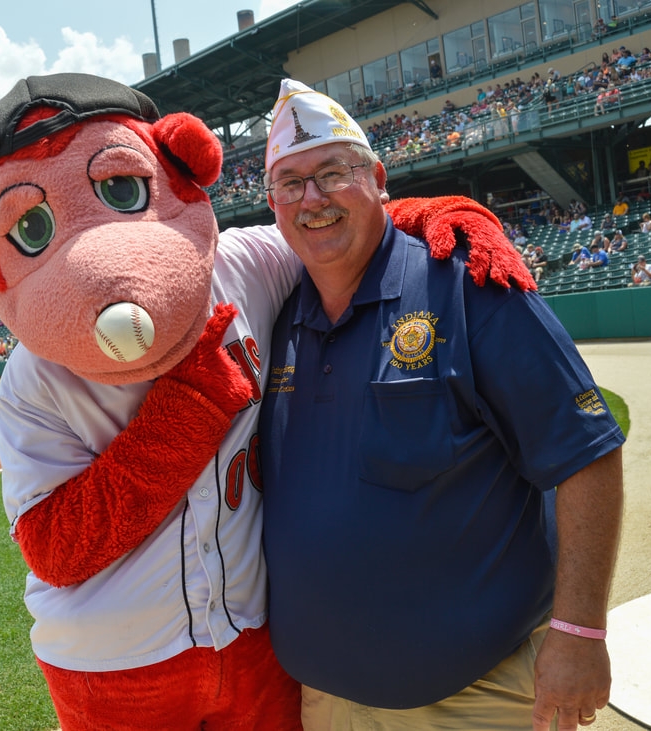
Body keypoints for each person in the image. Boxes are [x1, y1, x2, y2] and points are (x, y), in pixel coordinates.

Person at [260, 78, 625, 731]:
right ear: (272, 201)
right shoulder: (282, 314)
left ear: (378, 178)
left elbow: (586, 454)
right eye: (290, 182)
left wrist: (579, 630)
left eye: (332, 173)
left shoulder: (466, 284)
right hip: (324, 701)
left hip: (474, 697)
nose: (311, 198)